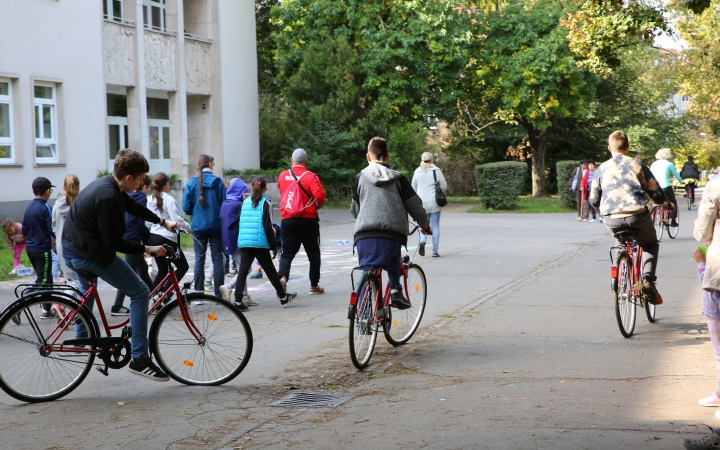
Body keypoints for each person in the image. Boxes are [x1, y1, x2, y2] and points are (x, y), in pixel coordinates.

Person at [62, 149, 176, 381]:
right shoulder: (108, 197)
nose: (144, 181)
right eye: (142, 177)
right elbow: (112, 243)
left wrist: (162, 221)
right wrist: (147, 249)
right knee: (140, 292)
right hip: (87, 253)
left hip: (74, 247)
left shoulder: (110, 185)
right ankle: (140, 359)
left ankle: (81, 342)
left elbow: (133, 206)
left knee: (87, 292)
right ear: (128, 178)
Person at [590, 130, 672, 305]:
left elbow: (594, 199)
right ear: (628, 147)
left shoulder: (602, 168)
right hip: (637, 216)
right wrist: (667, 205)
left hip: (611, 217)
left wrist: (603, 210)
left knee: (621, 241)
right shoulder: (637, 165)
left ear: (608, 148)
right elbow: (655, 192)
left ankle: (620, 264)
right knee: (649, 244)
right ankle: (648, 280)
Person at [351, 137, 432, 308]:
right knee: (393, 261)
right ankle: (396, 290)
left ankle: (361, 322)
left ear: (368, 157)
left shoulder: (360, 177)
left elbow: (355, 210)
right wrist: (425, 226)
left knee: (367, 270)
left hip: (364, 234)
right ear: (387, 157)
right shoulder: (399, 178)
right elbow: (415, 206)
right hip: (391, 233)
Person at [234, 177, 297, 311]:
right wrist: (273, 245)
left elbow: (240, 222)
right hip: (259, 242)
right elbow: (268, 227)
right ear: (265, 189)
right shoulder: (266, 203)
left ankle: (238, 300)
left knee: (243, 271)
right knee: (270, 269)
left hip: (245, 241)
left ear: (252, 187)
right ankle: (283, 297)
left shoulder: (244, 202)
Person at [277, 148, 327, 294]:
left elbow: (284, 194)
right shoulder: (311, 176)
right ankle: (314, 285)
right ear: (306, 161)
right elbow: (320, 197)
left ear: (291, 160)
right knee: (313, 253)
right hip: (308, 221)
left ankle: (283, 278)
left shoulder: (282, 175)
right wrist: (315, 207)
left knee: (287, 253)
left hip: (288, 220)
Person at [182, 154, 226, 298]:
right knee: (217, 259)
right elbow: (224, 204)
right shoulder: (218, 182)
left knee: (199, 258)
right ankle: (219, 294)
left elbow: (186, 208)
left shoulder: (191, 183)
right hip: (216, 226)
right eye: (213, 162)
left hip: (198, 226)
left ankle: (199, 293)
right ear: (209, 164)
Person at [111, 175, 153, 316]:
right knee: (128, 273)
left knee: (143, 269)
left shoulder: (127, 196)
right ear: (145, 186)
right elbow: (141, 223)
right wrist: (148, 242)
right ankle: (117, 306)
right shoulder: (141, 198)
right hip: (133, 238)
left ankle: (158, 298)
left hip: (126, 234)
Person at [146, 173, 191, 298]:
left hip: (153, 237)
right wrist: (189, 228)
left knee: (162, 269)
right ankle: (164, 295)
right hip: (167, 238)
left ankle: (155, 297)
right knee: (182, 266)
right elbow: (176, 220)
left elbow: (148, 223)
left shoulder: (149, 199)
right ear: (167, 184)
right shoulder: (169, 199)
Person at [22, 177, 55, 318]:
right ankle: (20, 304)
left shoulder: (28, 207)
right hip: (43, 250)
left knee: (48, 279)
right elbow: (53, 228)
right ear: (47, 191)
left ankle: (47, 309)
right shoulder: (46, 207)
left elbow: (24, 230)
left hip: (30, 249)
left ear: (33, 191)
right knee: (42, 281)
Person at [219, 178, 253, 305]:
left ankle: (245, 296)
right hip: (238, 239)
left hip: (227, 239)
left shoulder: (225, 203)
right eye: (244, 192)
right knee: (246, 269)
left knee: (241, 268)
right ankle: (229, 286)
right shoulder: (239, 205)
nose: (245, 194)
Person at [411, 152, 447, 257]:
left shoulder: (417, 172)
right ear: (431, 160)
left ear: (422, 160)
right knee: (435, 226)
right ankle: (435, 251)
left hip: (421, 203)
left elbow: (413, 188)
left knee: (423, 224)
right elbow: (444, 187)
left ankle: (423, 241)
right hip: (434, 202)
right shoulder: (436, 171)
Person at [52, 175, 80, 283]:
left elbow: (54, 227)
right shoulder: (83, 205)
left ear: (64, 187)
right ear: (78, 187)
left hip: (62, 246)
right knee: (82, 286)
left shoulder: (57, 206)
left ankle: (64, 299)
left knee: (70, 281)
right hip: (78, 248)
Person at [650, 148, 683, 227]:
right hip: (665, 187)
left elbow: (649, 175)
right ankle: (673, 221)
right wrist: (681, 182)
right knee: (672, 202)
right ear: (668, 155)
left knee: (656, 201)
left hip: (655, 187)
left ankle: (655, 215)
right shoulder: (669, 164)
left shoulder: (654, 164)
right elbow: (676, 175)